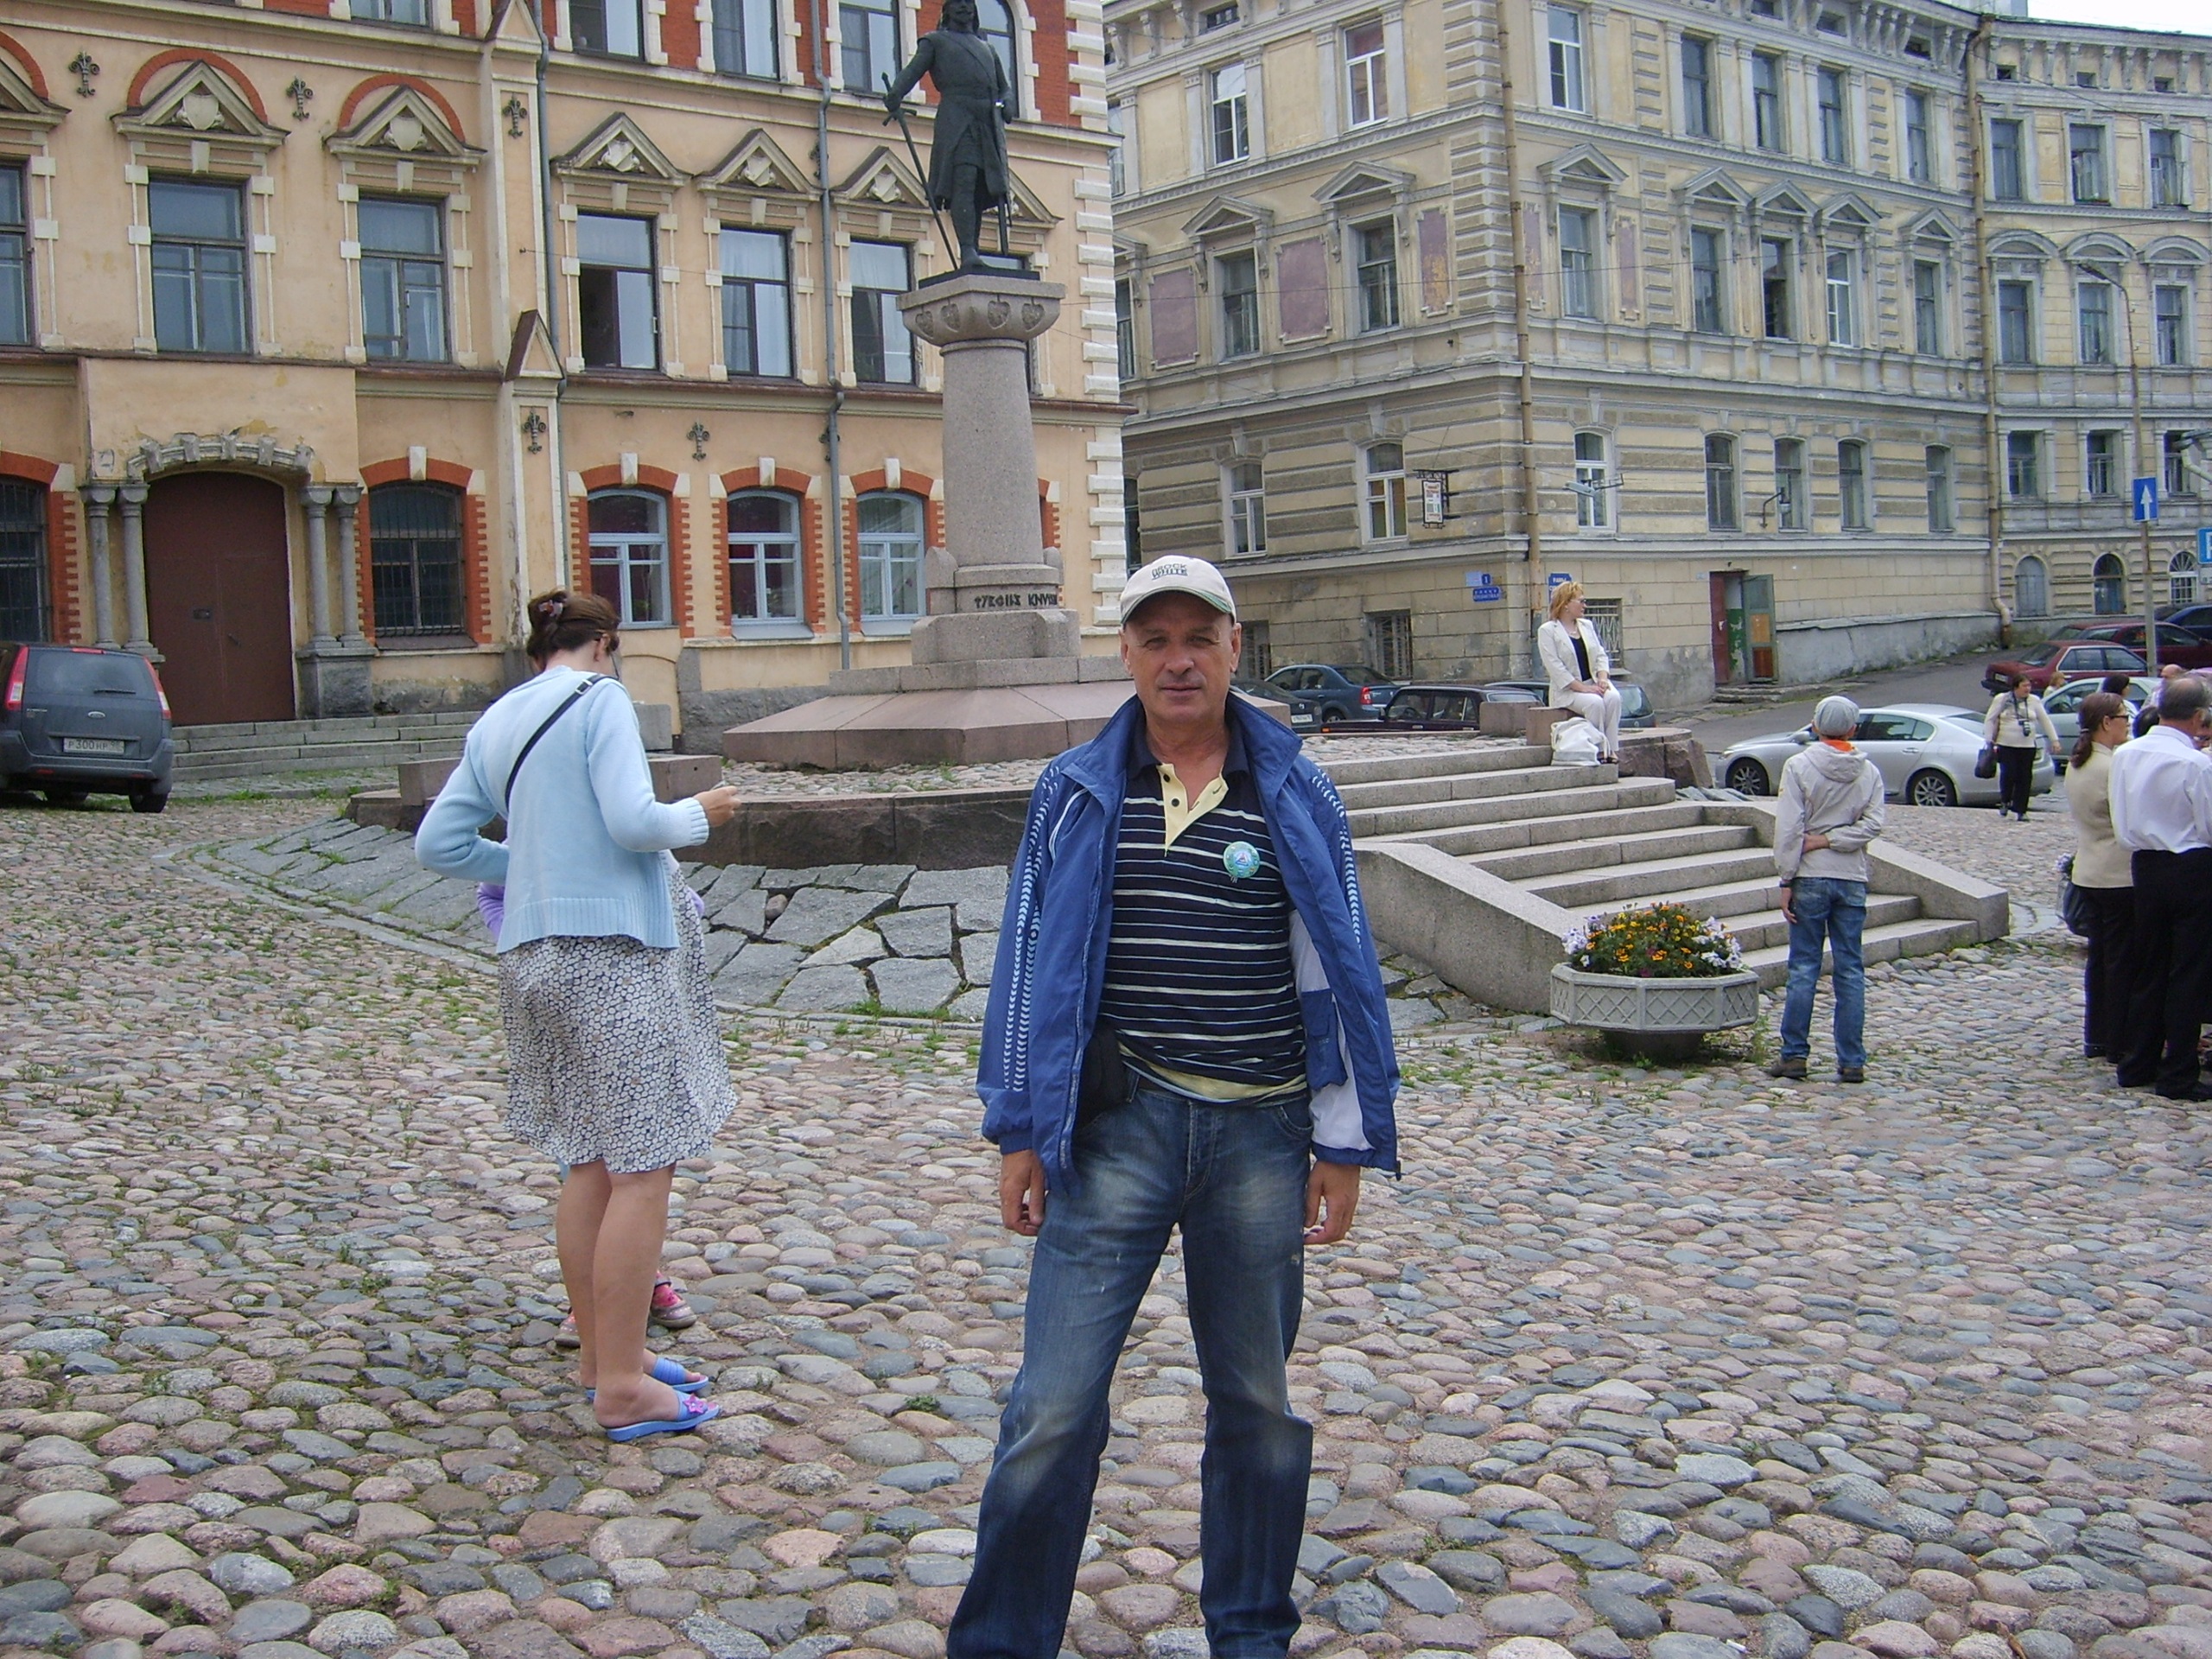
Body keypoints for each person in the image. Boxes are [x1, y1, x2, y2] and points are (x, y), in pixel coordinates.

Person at [953, 554, 1400, 1659]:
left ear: (1235, 647)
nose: (1179, 660)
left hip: (1261, 1134)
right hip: (1118, 1131)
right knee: (1050, 1408)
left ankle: (1248, 1635)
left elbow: (1342, 963)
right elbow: (1025, 963)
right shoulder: (1074, 789)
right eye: (1155, 640)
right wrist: (1021, 1128)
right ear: (1127, 655)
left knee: (1256, 1405)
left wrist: (1344, 1139)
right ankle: (1003, 1643)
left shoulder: (1296, 789)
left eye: (1199, 637)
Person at [416, 591, 743, 1439]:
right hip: (610, 953)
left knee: (591, 1161)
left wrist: (532, 863)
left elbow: (437, 844)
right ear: (605, 645)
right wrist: (700, 815)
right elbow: (635, 823)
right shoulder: (601, 700)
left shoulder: (498, 718)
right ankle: (624, 1387)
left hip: (532, 956)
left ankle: (605, 1356)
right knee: (643, 1167)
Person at [1765, 695, 1885, 1084]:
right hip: (1851, 876)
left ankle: (1794, 1055)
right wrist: (1837, 840)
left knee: (1803, 967)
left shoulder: (1799, 766)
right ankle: (1852, 1059)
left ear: (1815, 726)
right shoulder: (1868, 772)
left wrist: (1787, 876)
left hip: (1810, 875)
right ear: (1853, 729)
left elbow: (1789, 828)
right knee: (1850, 969)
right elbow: (1873, 825)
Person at [2108, 672, 2212, 1100]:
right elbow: (2208, 824)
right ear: (2199, 717)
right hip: (2191, 865)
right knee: (2188, 971)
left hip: (2145, 864)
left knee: (2149, 965)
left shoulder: (2126, 754)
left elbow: (2120, 813)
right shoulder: (2195, 763)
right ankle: (2178, 1072)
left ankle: (2138, 1061)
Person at [883, 0, 1015, 271]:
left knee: (979, 187)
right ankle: (967, 250)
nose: (964, 7)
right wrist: (896, 92)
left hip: (987, 124)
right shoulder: (935, 41)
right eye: (958, 2)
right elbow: (913, 71)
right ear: (947, 10)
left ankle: (973, 249)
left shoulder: (988, 49)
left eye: (969, 2)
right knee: (963, 181)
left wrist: (1008, 102)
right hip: (958, 119)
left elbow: (1004, 87)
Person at [2064, 691, 2134, 1060]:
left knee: (2099, 959)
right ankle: (2119, 1038)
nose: (2128, 724)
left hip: (2089, 870)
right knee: (2120, 961)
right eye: (2124, 717)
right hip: (2116, 873)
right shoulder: (2111, 765)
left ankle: (2097, 1035)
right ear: (2107, 722)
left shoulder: (2079, 762)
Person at [1536, 581, 1623, 764]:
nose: (1585, 605)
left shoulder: (1586, 625)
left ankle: (1612, 749)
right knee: (1595, 703)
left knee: (1613, 698)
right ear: (1566, 604)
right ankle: (1599, 749)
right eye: (1581, 601)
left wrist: (1602, 678)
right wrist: (1584, 689)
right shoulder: (1548, 631)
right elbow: (1556, 668)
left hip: (1593, 682)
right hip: (1568, 691)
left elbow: (1600, 654)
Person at [1982, 671, 2057, 821]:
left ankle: (2021, 810)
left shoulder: (2034, 701)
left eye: (2029, 685)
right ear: (2016, 687)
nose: (2027, 689)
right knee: (2009, 774)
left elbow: (2045, 720)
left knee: (2025, 777)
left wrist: (2054, 740)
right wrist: (1989, 739)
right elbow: (1990, 719)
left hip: (2027, 745)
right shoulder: (2002, 699)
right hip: (2006, 744)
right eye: (2024, 686)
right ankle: (2005, 800)